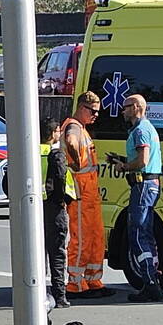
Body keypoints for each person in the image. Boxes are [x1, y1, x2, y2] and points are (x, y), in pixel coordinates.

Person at [107, 94, 163, 302]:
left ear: (137, 107)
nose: (123, 110)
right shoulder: (146, 128)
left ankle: (150, 283)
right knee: (146, 234)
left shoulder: (141, 130)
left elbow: (142, 161)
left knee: (138, 234)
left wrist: (124, 166)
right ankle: (152, 279)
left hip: (142, 185)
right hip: (148, 185)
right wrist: (121, 160)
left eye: (126, 107)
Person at [61, 91, 114, 299]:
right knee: (81, 238)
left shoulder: (82, 128)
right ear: (82, 107)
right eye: (92, 111)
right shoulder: (74, 126)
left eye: (98, 112)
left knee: (95, 236)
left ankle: (93, 279)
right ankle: (75, 283)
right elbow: (71, 142)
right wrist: (74, 161)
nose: (96, 115)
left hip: (90, 192)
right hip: (81, 192)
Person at [41, 117, 75, 308]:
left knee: (36, 253)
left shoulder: (26, 153)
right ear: (53, 133)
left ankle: (38, 292)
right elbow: (61, 177)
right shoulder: (55, 154)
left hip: (31, 208)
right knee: (57, 253)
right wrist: (62, 199)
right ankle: (59, 296)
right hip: (54, 207)